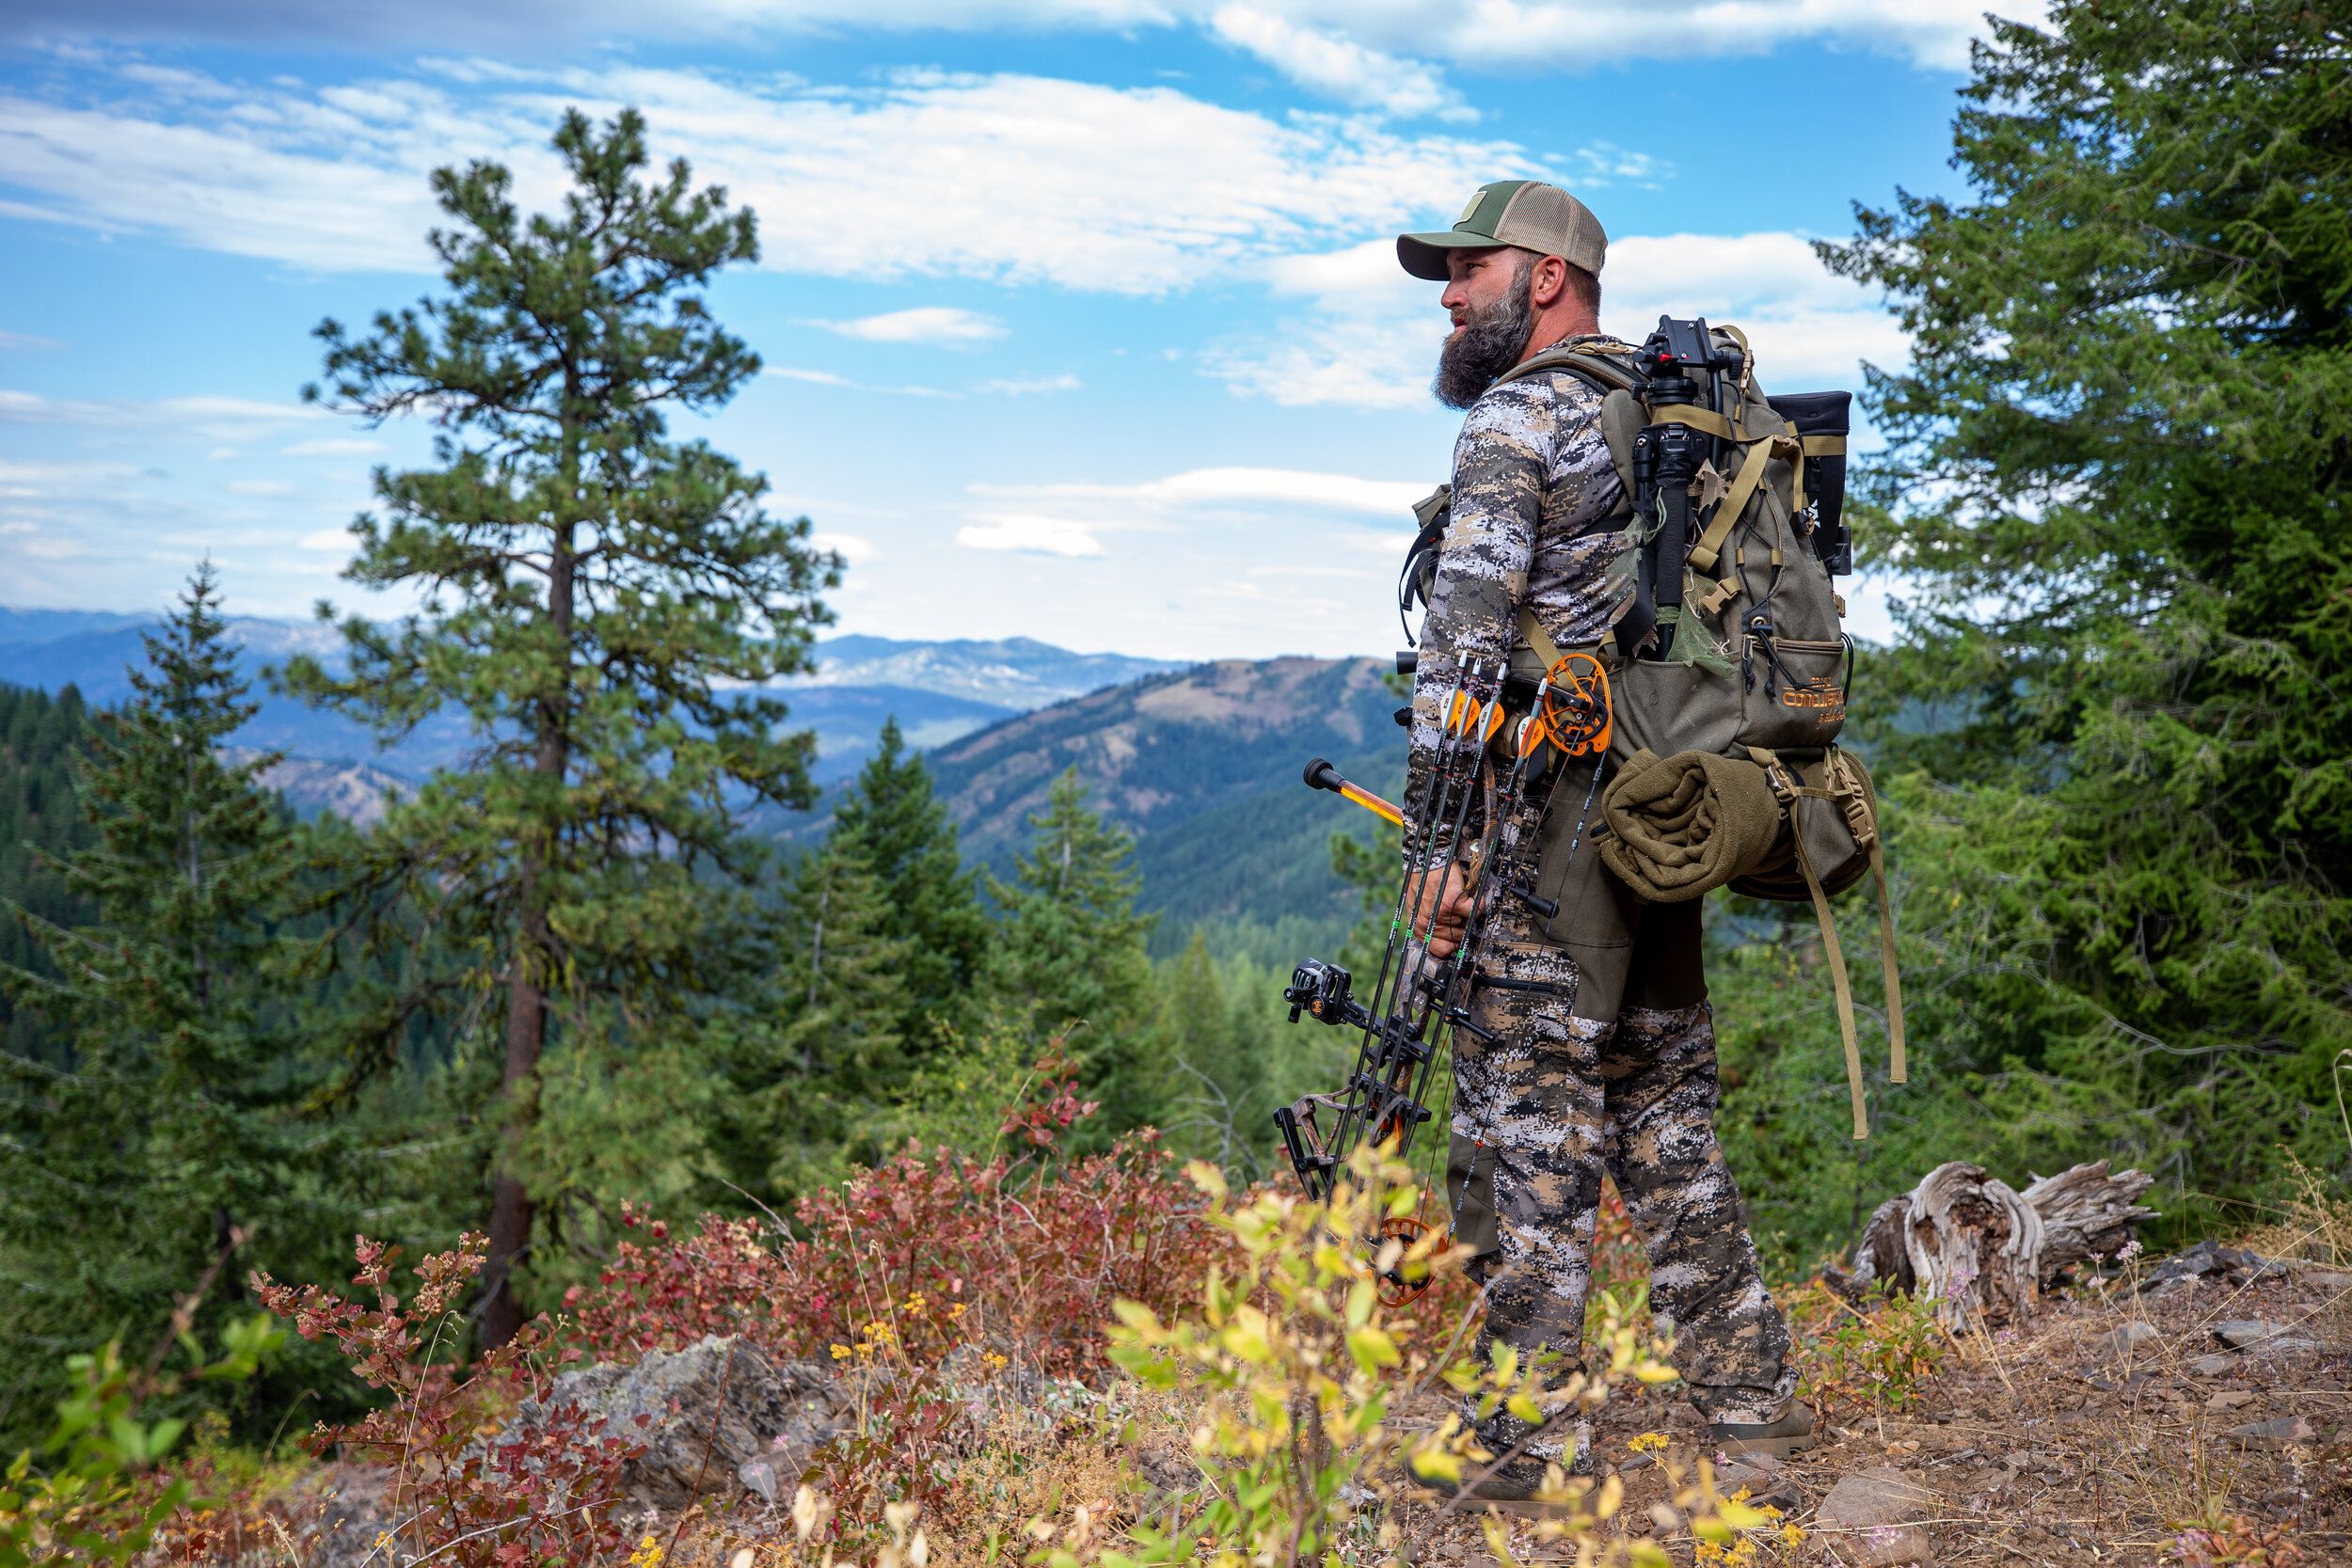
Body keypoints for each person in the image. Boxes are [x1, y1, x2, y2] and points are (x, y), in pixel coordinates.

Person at [1392, 179, 1812, 1499]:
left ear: (1551, 278)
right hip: (1663, 815)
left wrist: (1437, 846)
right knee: (1664, 1115)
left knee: (1529, 1135)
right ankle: (1752, 1407)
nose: (1452, 294)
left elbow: (1465, 646)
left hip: (1539, 829)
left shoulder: (1520, 416)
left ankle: (1521, 1450)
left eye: (1472, 269)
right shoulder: (1663, 415)